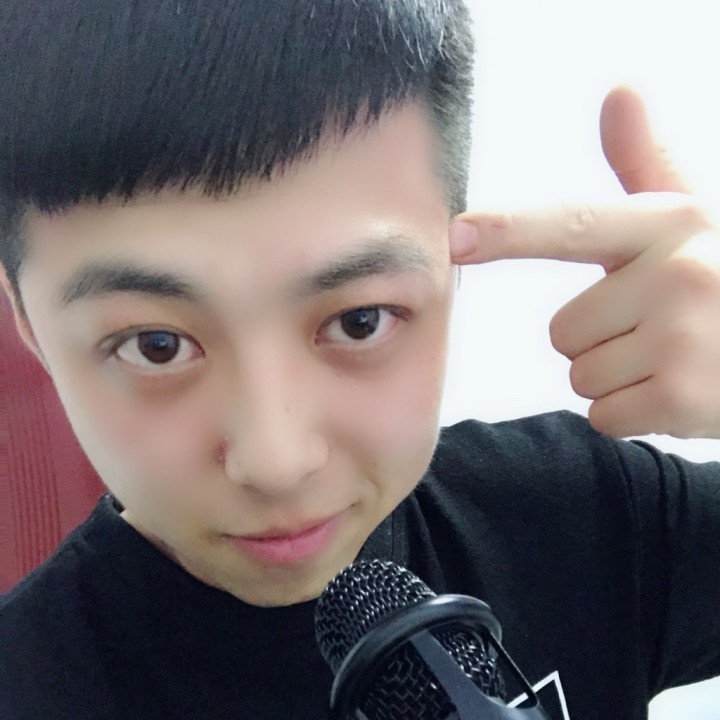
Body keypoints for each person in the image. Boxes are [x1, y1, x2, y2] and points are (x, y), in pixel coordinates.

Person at [0, 1, 718, 719]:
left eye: (359, 321)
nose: (277, 463)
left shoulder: (583, 518)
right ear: (27, 321)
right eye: (156, 346)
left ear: (452, 269)